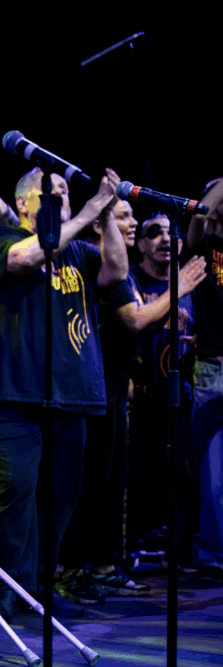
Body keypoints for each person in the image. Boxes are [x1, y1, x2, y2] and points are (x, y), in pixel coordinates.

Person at [0, 167, 127, 620]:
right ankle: (8, 587)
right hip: (11, 397)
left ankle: (39, 585)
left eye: (65, 192)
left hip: (70, 396)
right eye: (51, 192)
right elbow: (26, 258)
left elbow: (116, 271)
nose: (62, 197)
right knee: (14, 496)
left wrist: (108, 216)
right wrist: (93, 208)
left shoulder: (79, 250)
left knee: (60, 499)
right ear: (23, 203)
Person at [59, 201, 206, 603]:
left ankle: (105, 565)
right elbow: (134, 320)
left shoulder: (114, 270)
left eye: (130, 218)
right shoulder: (105, 269)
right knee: (90, 482)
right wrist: (180, 288)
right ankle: (75, 568)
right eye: (123, 218)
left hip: (114, 387)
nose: (132, 224)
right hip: (93, 387)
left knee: (111, 482)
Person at [127, 214, 202, 571]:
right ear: (140, 244)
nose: (163, 238)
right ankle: (127, 551)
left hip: (180, 396)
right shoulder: (131, 278)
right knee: (134, 478)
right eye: (152, 232)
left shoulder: (191, 283)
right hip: (140, 397)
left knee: (186, 477)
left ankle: (179, 551)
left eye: (169, 232)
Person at [187, 178, 223, 582]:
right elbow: (200, 213)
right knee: (214, 476)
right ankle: (213, 554)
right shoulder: (203, 246)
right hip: (212, 369)